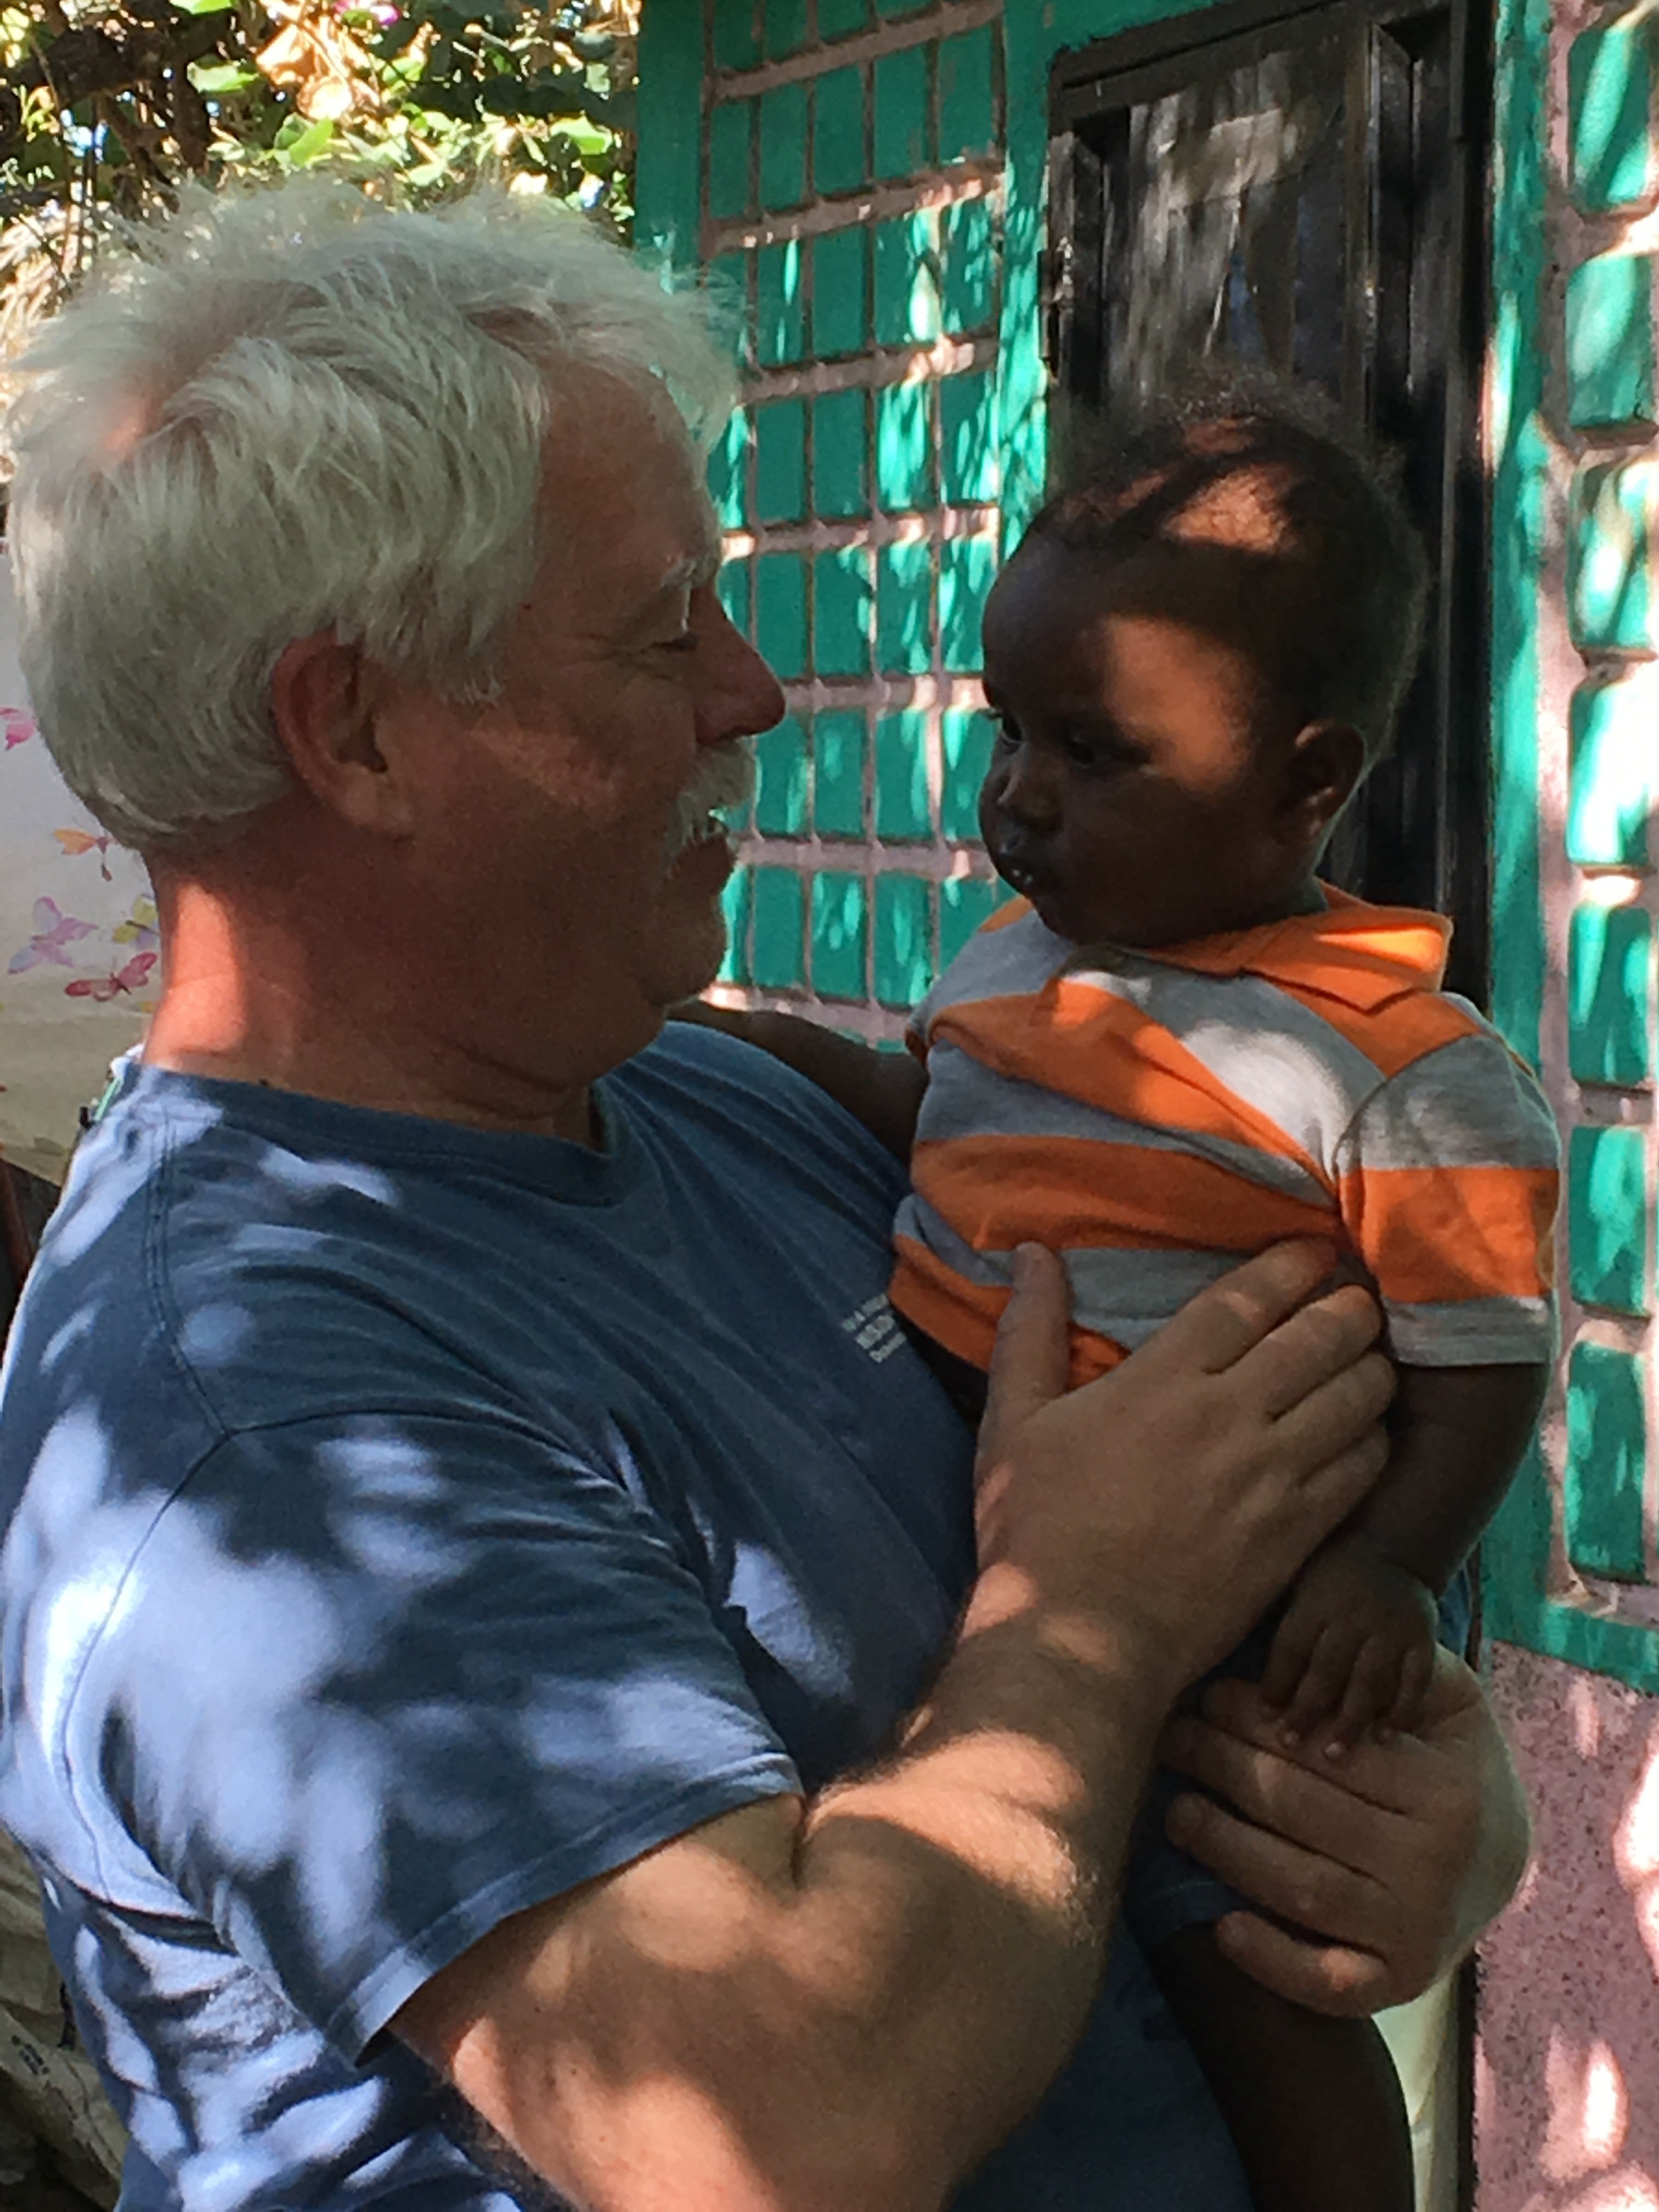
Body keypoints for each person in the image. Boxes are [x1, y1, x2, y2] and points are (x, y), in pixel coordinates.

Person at [0, 180, 1528, 2212]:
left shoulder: (736, 1107)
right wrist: (1087, 1623)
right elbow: (762, 2138)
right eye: (665, 629)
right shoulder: (253, 1414)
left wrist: (1419, 1816)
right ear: (355, 728)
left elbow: (1257, 1536)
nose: (756, 693)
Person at [703, 405, 1558, 2212]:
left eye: (1094, 752)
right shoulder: (1024, 958)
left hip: (1246, 1607)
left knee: (1246, 1972)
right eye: (1012, 731)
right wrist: (738, 1049)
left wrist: (1393, 1568)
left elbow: (1482, 1346)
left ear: (1303, 783)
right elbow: (925, 1131)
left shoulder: (1397, 1060)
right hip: (1042, 1576)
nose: (1018, 795)